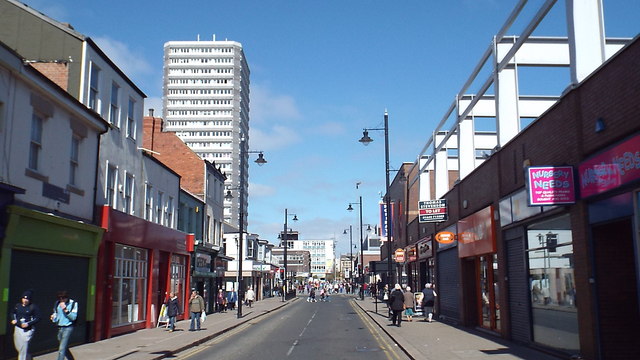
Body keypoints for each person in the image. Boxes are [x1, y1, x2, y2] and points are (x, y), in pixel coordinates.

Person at [11, 290, 40, 360]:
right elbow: (13, 313)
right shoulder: (18, 306)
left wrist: (28, 324)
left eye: (27, 299)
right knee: (19, 347)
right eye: (24, 298)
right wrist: (14, 320)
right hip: (18, 329)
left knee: (23, 348)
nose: (25, 300)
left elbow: (37, 318)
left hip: (27, 331)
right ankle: (28, 358)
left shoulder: (33, 307)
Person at [50, 290, 78, 360]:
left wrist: (65, 310)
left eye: (63, 298)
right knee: (63, 347)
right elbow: (56, 314)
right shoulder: (57, 303)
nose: (61, 300)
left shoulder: (73, 303)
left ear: (67, 297)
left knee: (61, 348)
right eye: (60, 298)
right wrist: (53, 318)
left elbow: (74, 317)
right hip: (60, 327)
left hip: (68, 327)